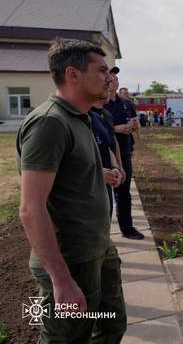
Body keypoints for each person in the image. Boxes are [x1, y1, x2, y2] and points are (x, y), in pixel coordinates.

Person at [16, 37, 127, 343]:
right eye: (102, 70)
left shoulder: (81, 117)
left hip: (97, 249)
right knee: (65, 339)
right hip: (71, 261)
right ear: (73, 74)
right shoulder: (49, 123)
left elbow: (69, 174)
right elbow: (30, 208)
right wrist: (61, 279)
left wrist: (98, 174)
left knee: (111, 326)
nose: (110, 78)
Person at [104, 67, 144, 240]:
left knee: (124, 192)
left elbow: (135, 123)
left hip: (125, 150)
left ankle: (127, 228)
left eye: (116, 76)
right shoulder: (100, 103)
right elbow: (94, 128)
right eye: (110, 76)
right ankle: (103, 236)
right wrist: (117, 129)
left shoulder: (126, 103)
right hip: (106, 153)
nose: (114, 79)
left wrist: (135, 128)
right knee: (104, 197)